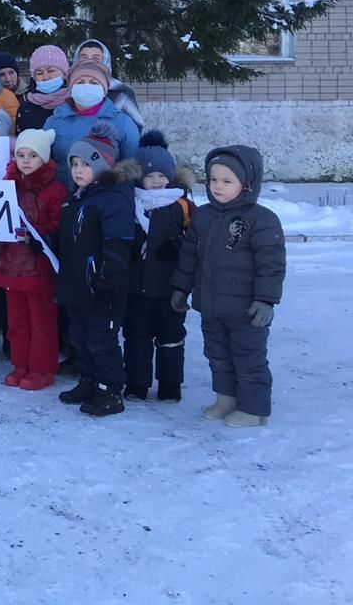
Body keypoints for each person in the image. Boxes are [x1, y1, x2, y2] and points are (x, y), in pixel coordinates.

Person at [171, 146, 285, 428]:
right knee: (217, 355)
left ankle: (254, 409)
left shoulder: (262, 220)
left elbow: (271, 265)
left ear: (247, 184)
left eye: (227, 181)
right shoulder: (203, 216)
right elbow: (189, 257)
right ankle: (226, 399)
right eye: (213, 179)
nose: (217, 186)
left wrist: (266, 300)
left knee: (248, 358)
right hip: (211, 306)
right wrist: (180, 288)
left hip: (246, 310)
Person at [55, 122, 135, 418]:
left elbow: (119, 241)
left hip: (103, 287)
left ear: (103, 165)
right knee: (80, 337)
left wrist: (109, 276)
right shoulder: (75, 199)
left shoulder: (114, 199)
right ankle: (88, 380)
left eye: (86, 164)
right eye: (74, 163)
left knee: (102, 340)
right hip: (77, 284)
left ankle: (110, 390)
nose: (78, 169)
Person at [0, 129, 66, 391]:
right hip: (10, 267)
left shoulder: (55, 190)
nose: (26, 160)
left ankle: (42, 368)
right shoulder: (6, 185)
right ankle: (20, 364)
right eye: (21, 155)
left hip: (38, 269)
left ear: (44, 158)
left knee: (41, 321)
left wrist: (36, 235)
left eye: (33, 155)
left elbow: (58, 227)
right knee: (17, 322)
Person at [122, 131, 195, 403]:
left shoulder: (182, 206)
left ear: (171, 177)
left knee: (171, 337)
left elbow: (195, 242)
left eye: (161, 176)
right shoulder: (131, 203)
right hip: (136, 287)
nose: (155, 182)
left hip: (169, 287)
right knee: (136, 338)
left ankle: (170, 383)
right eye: (149, 177)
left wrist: (178, 246)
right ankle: (136, 384)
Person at [47, 60, 141, 187]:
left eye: (94, 83)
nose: (86, 86)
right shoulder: (55, 121)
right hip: (62, 197)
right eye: (80, 82)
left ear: (105, 89)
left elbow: (131, 165)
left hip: (105, 197)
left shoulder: (123, 122)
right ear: (70, 88)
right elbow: (44, 162)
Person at [73, 39, 144, 130]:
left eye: (96, 58)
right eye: (84, 58)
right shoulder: (69, 90)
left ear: (105, 62)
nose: (89, 63)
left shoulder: (120, 93)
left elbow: (136, 126)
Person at [17, 45, 71, 132]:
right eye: (39, 73)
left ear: (64, 74)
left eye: (51, 71)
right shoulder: (25, 107)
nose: (46, 77)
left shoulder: (76, 102)